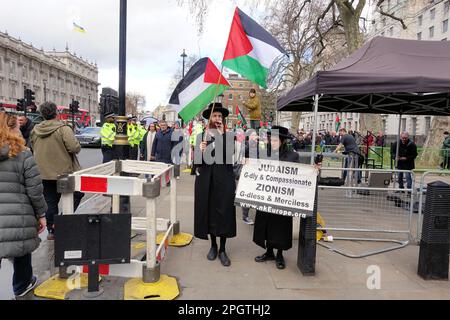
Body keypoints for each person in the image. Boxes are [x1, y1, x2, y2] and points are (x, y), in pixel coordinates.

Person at [0, 113, 47, 298]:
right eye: (18, 129)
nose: (20, 132)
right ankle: (22, 285)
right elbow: (35, 190)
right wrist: (41, 214)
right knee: (21, 251)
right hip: (18, 215)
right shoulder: (23, 154)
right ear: (11, 130)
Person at [31, 102, 83, 240]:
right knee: (77, 194)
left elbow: (32, 147)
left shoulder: (35, 129)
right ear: (56, 113)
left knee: (50, 201)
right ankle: (60, 223)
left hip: (43, 173)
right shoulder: (63, 128)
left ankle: (51, 230)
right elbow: (74, 148)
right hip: (64, 172)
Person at [194, 103, 236, 267]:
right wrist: (200, 151)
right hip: (207, 182)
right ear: (210, 118)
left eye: (220, 116)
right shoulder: (201, 136)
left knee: (223, 213)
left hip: (224, 181)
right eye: (215, 116)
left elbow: (229, 156)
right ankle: (213, 245)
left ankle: (223, 249)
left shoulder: (228, 135)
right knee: (210, 213)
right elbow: (196, 164)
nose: (217, 119)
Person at [253, 126, 299, 270]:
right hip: (266, 196)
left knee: (280, 226)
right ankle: (269, 252)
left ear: (282, 141)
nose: (271, 142)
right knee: (266, 224)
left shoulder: (292, 156)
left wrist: (314, 169)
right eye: (270, 139)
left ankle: (279, 254)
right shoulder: (263, 153)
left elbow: (298, 175)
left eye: (274, 140)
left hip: (281, 198)